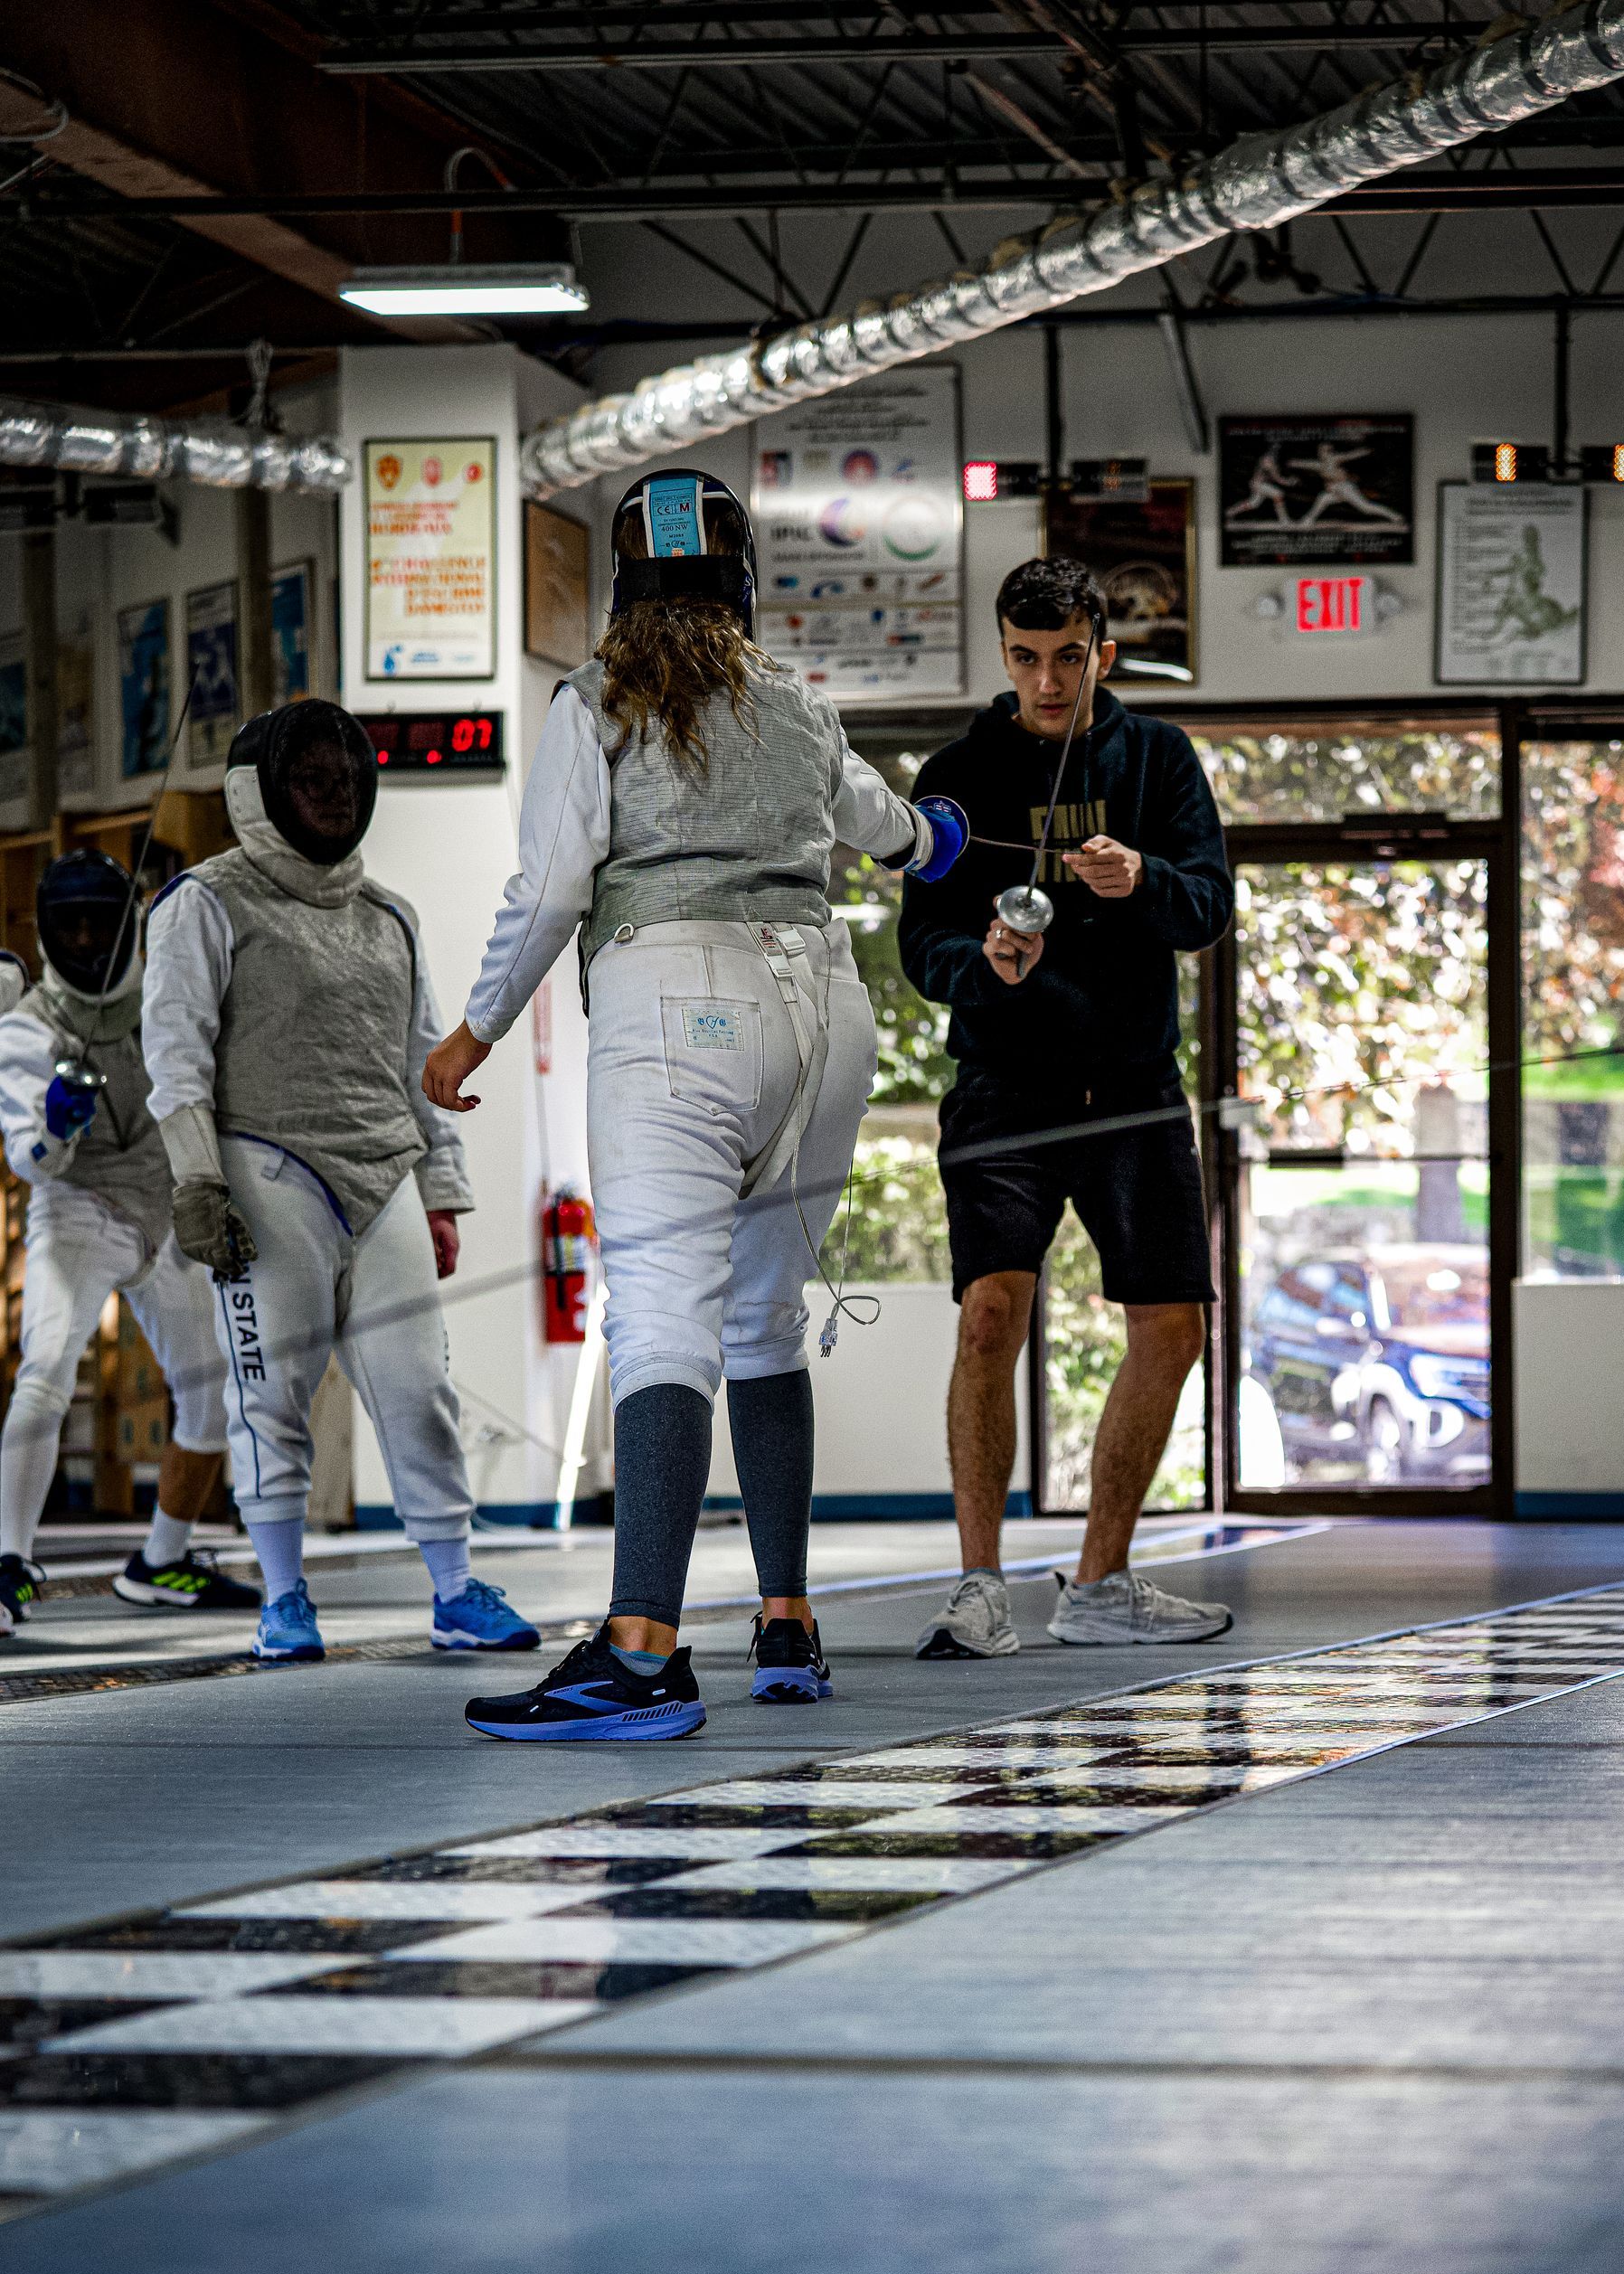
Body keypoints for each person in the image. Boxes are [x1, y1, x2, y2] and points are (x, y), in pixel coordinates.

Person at [423, 466, 957, 1741]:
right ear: (742, 584)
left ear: (624, 587)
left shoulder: (594, 701)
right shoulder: (802, 709)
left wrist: (473, 1029)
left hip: (675, 1008)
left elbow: (553, 891)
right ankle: (786, 1622)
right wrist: (944, 832)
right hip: (824, 1017)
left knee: (663, 1316)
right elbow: (902, 837)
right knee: (766, 1323)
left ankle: (644, 1655)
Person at [141, 700, 539, 1665]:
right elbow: (176, 1056)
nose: (333, 796)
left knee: (418, 1392)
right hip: (261, 1167)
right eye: (312, 781)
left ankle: (454, 1588)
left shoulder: (387, 913)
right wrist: (199, 1181)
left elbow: (421, 1057)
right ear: (263, 793)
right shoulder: (205, 901)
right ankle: (283, 1596)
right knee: (269, 1393)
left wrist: (442, 1189)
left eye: (347, 780)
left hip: (383, 1172)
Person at [900, 555, 1234, 1657]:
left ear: (1103, 652)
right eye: (1027, 658)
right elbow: (921, 945)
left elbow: (1207, 910)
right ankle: (980, 1586)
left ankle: (1098, 1583)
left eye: (1068, 658)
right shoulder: (956, 772)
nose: (1049, 680)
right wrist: (983, 960)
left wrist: (1140, 879)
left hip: (1134, 1084)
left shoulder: (1159, 758)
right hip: (1004, 1085)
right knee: (991, 1311)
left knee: (1174, 1327)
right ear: (1004, 654)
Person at [0, 849, 256, 1629]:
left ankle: (164, 1559)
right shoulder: (26, 1024)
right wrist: (54, 1122)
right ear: (45, 931)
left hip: (173, 1206)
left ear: (130, 923)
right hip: (80, 1210)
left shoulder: (166, 992)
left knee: (212, 1388)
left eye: (98, 921)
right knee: (44, 1372)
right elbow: (27, 1160)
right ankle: (7, 1562)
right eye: (69, 923)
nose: (83, 938)